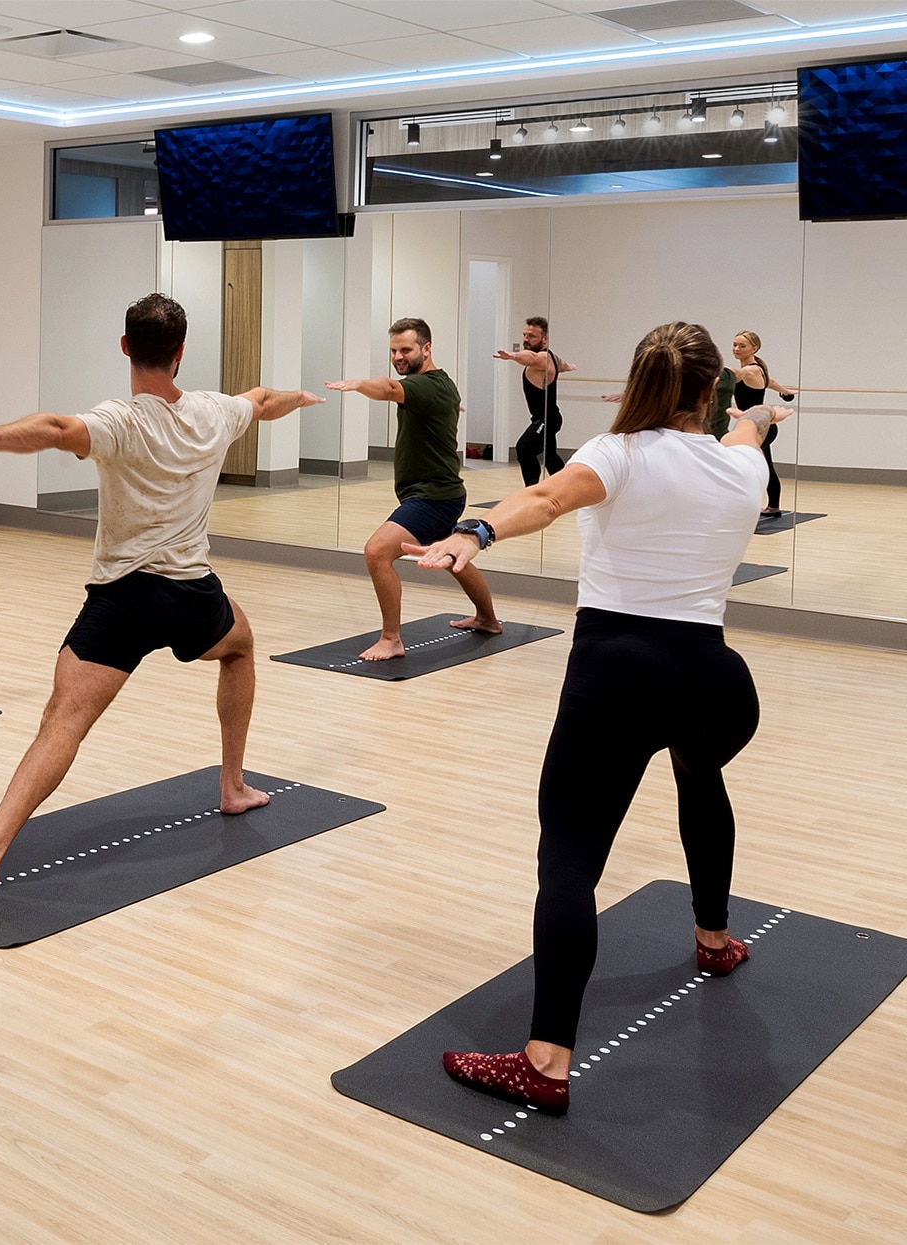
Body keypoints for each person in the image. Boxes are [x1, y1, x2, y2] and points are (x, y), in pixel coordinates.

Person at [410, 321, 786, 1117]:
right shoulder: (742, 465)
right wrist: (763, 411)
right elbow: (752, 427)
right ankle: (714, 941)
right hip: (715, 681)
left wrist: (474, 531)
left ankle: (545, 1061)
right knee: (699, 775)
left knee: (571, 860)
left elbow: (545, 498)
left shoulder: (615, 454)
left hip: (618, 672)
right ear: (711, 391)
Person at [0, 294, 323, 888]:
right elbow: (262, 399)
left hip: (124, 599)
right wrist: (298, 397)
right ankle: (233, 785)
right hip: (191, 596)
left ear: (125, 347)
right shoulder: (215, 412)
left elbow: (54, 429)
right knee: (241, 646)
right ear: (181, 352)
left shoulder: (119, 422)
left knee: (63, 719)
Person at [326, 318, 500, 661]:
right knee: (453, 558)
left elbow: (390, 390)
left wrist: (360, 383)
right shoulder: (435, 386)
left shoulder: (429, 385)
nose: (398, 357)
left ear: (427, 348)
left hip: (433, 495)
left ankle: (391, 639)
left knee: (377, 552)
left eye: (405, 349)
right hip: (440, 492)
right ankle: (488, 619)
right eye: (393, 350)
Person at [722, 330, 797, 517]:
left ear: (754, 348)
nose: (736, 349)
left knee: (743, 465)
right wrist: (785, 392)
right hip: (763, 426)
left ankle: (746, 505)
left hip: (758, 427)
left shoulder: (751, 370)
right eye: (734, 345)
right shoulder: (759, 369)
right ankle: (773, 507)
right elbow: (769, 381)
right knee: (766, 465)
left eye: (742, 345)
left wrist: (715, 373)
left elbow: (736, 373)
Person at [494, 315, 574, 486]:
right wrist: (569, 367)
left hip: (545, 419)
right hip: (550, 417)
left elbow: (530, 357)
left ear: (544, 339)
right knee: (550, 456)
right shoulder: (551, 357)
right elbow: (561, 364)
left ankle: (532, 490)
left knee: (524, 448)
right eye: (524, 335)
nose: (526, 339)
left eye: (532, 336)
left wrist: (513, 356)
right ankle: (566, 487)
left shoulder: (542, 358)